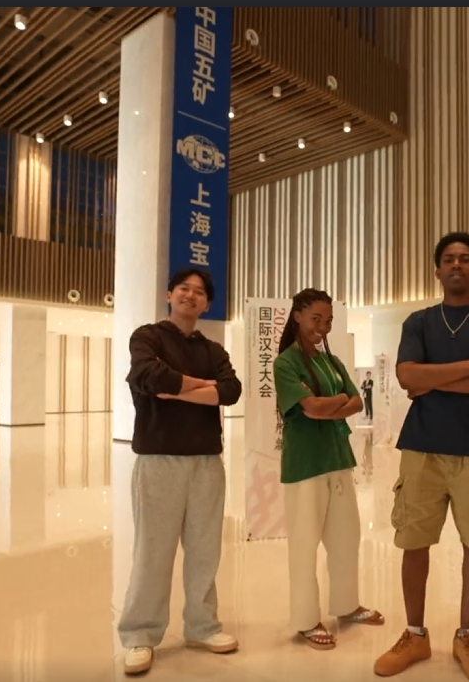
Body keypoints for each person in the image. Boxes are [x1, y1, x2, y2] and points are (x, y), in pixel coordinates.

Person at [374, 232, 469, 682]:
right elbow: (406, 377)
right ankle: (415, 634)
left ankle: (466, 635)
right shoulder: (418, 321)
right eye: (449, 258)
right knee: (414, 542)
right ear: (437, 270)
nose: (457, 264)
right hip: (422, 447)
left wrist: (431, 379)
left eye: (466, 258)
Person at [118, 268, 243, 676]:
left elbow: (231, 391)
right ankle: (140, 634)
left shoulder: (213, 349)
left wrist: (177, 390)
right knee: (153, 551)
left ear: (207, 303)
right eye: (183, 289)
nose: (191, 295)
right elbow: (149, 377)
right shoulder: (148, 337)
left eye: (199, 292)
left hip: (206, 461)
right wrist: (202, 387)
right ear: (168, 295)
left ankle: (203, 626)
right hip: (159, 459)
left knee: (205, 551)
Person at [273, 288, 384, 650]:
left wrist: (329, 404)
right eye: (316, 318)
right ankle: (306, 621)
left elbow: (356, 402)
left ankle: (347, 605)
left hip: (338, 459)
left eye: (329, 320)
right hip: (305, 464)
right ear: (298, 317)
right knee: (304, 545)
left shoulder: (331, 361)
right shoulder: (285, 363)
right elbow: (310, 408)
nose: (322, 326)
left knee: (346, 538)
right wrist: (335, 402)